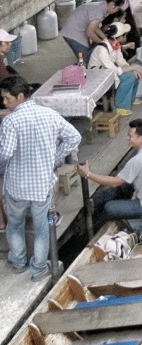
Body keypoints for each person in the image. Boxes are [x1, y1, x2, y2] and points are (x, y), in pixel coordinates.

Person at [0, 75, 82, 280]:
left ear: (20, 96)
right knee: (42, 227)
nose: (4, 102)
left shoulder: (10, 121)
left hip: (17, 186)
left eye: (7, 98)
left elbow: (6, 153)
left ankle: (18, 261)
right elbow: (74, 137)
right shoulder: (49, 114)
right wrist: (55, 157)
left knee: (15, 224)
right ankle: (38, 269)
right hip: (42, 185)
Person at [78, 118, 142, 223]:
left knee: (109, 207)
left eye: (130, 136)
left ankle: (99, 220)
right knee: (124, 187)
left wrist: (87, 174)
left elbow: (115, 182)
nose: (127, 138)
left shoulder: (137, 160)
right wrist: (136, 192)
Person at [88, 23, 142, 117]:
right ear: (119, 37)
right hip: (99, 75)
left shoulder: (115, 45)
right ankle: (121, 107)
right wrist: (132, 68)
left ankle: (131, 98)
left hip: (108, 71)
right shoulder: (102, 49)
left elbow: (121, 61)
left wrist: (132, 68)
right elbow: (113, 70)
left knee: (135, 72)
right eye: (125, 35)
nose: (126, 36)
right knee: (129, 76)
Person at [61, 0, 126, 63]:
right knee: (85, 60)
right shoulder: (99, 11)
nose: (117, 11)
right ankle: (78, 70)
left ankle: (79, 67)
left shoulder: (101, 6)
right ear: (112, 5)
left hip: (72, 30)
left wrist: (105, 39)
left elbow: (95, 27)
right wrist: (104, 44)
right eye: (117, 8)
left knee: (82, 57)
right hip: (74, 33)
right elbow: (90, 32)